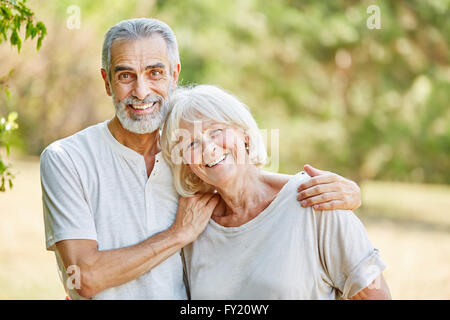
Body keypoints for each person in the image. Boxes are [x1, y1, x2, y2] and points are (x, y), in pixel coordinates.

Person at [41, 18, 362, 300]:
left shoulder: (193, 157)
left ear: (174, 74)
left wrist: (336, 189)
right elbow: (85, 278)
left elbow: (252, 188)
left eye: (155, 72)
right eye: (126, 76)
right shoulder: (67, 159)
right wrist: (177, 235)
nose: (141, 91)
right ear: (107, 80)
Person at [161, 84, 391, 300]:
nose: (208, 148)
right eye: (191, 144)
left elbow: (374, 294)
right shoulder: (194, 226)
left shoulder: (314, 197)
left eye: (216, 131)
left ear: (245, 135)